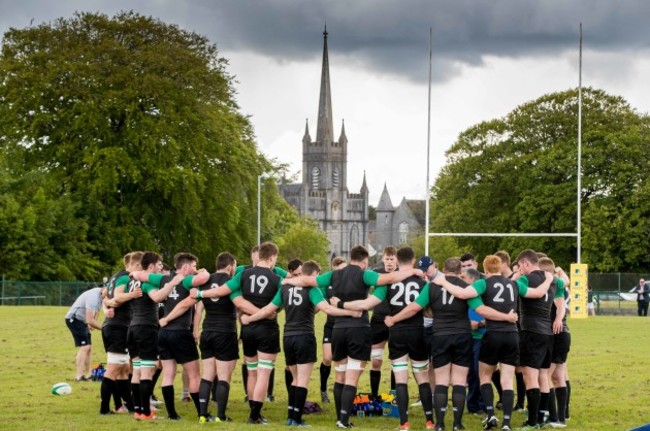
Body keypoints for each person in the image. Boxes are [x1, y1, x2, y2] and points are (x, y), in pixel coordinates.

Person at [287, 245, 423, 429]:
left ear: (351, 258)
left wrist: (285, 282)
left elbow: (309, 281)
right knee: (352, 377)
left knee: (340, 375)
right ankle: (343, 420)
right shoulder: (365, 274)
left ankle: (338, 417)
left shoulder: (334, 275)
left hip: (338, 330)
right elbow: (390, 277)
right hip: (358, 329)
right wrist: (414, 270)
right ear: (365, 260)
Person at [241, 260, 361, 427]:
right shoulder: (312, 289)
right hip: (304, 337)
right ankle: (297, 419)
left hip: (288, 337)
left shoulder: (284, 289)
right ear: (313, 274)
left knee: (295, 379)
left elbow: (268, 309)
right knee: (302, 380)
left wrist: (249, 318)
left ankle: (291, 416)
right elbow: (327, 309)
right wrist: (351, 313)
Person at [441, 254, 553, 431]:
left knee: (485, 376)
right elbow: (537, 293)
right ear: (500, 268)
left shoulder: (483, 283)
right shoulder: (515, 283)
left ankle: (491, 415)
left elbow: (462, 294)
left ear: (485, 270)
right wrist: (548, 279)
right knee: (507, 380)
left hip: (493, 334)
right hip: (512, 336)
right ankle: (507, 423)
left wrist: (443, 282)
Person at [339, 247, 434, 431]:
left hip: (397, 331)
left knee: (400, 378)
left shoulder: (388, 283)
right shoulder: (424, 282)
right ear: (413, 261)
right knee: (422, 377)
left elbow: (367, 304)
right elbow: (425, 308)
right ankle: (429, 421)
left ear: (397, 261)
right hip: (417, 331)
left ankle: (404, 423)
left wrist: (342, 304)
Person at [191, 242, 283, 424]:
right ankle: (254, 415)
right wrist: (262, 314)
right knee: (264, 372)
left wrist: (200, 295)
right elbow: (277, 307)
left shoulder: (243, 274)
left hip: (247, 330)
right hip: (266, 329)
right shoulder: (277, 279)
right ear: (272, 257)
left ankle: (213, 412)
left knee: (251, 372)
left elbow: (222, 291)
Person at [132, 252, 209, 420]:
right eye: (194, 266)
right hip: (180, 332)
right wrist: (203, 272)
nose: (195, 270)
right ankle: (202, 413)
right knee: (195, 375)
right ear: (186, 267)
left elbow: (138, 274)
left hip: (163, 334)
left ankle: (172, 414)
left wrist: (135, 273)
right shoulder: (187, 280)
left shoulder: (162, 279)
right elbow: (203, 279)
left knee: (168, 373)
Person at [100, 251, 144, 415]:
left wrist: (107, 306)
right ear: (138, 265)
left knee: (124, 368)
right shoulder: (126, 277)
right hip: (118, 327)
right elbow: (117, 297)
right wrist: (132, 295)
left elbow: (104, 294)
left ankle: (128, 405)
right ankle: (104, 409)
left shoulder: (115, 276)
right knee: (114, 369)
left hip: (115, 326)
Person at [369, 246, 397, 399]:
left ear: (397, 260)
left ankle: (393, 396)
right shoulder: (375, 273)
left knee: (395, 360)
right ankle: (374, 396)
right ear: (382, 259)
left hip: (396, 320)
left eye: (392, 259)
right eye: (387, 258)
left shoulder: (402, 274)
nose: (389, 262)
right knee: (376, 360)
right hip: (378, 320)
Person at [319, 256, 347, 403]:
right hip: (331, 325)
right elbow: (321, 303)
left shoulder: (350, 283)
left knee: (344, 361)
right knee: (327, 358)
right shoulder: (327, 284)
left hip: (346, 325)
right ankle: (323, 389)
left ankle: (344, 392)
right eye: (338, 271)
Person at [65, 286, 105, 382]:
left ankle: (88, 375)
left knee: (89, 348)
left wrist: (93, 321)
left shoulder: (101, 296)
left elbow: (97, 310)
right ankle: (78, 376)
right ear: (105, 288)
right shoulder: (94, 296)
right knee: (85, 347)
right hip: (74, 319)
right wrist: (105, 329)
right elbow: (89, 320)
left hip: (82, 320)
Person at [462, 268, 486, 416]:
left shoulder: (484, 293)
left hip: (482, 338)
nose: (461, 280)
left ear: (472, 279)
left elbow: (493, 314)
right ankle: (472, 406)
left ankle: (483, 405)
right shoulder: (463, 294)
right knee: (470, 373)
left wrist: (480, 324)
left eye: (464, 277)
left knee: (480, 373)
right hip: (467, 337)